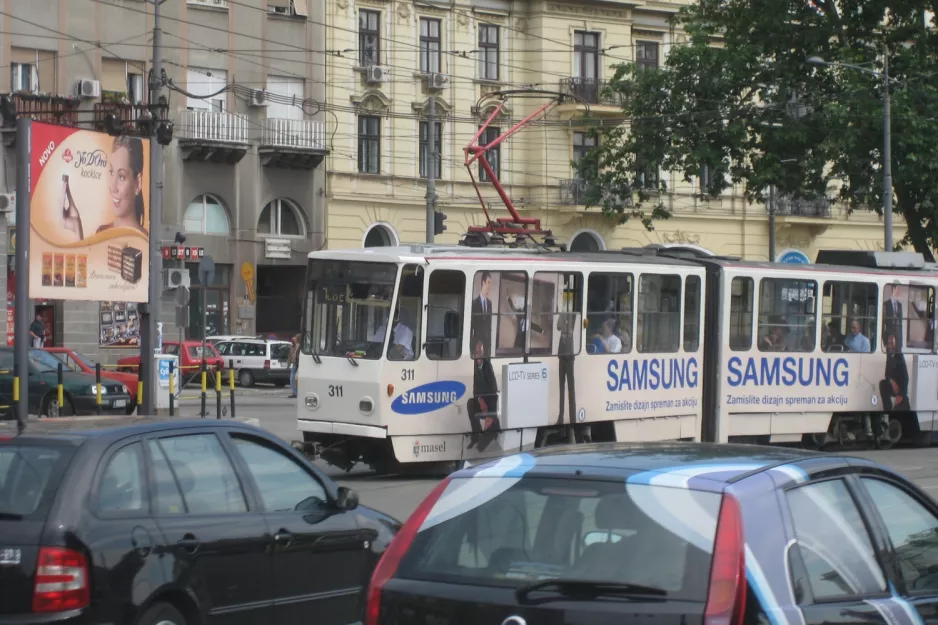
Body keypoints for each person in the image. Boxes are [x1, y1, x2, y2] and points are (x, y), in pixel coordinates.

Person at [62, 136, 147, 240]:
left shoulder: (146, 241)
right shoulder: (102, 233)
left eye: (121, 176)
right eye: (111, 172)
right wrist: (77, 229)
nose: (113, 187)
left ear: (137, 183)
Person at [880, 333, 909, 410]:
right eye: (889, 343)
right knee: (882, 384)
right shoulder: (888, 356)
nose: (890, 345)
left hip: (900, 388)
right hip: (893, 385)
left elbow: (905, 377)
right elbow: (887, 374)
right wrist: (891, 381)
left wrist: (901, 394)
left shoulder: (899, 356)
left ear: (895, 344)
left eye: (892, 343)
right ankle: (887, 409)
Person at [470, 271, 494, 357]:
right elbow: (471, 327)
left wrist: (489, 347)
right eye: (488, 283)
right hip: (477, 345)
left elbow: (489, 326)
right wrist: (472, 348)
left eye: (490, 283)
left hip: (486, 346)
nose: (489, 286)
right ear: (483, 283)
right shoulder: (474, 303)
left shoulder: (489, 303)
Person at [883, 284, 904, 349]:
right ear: (893, 289)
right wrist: (885, 341)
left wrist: (900, 341)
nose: (898, 291)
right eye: (897, 289)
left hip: (898, 338)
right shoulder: (886, 304)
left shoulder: (899, 305)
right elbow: (883, 323)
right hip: (889, 337)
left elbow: (900, 323)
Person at [288, 334, 300, 398]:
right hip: (295, 364)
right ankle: (295, 392)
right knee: (293, 379)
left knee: (294, 379)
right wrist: (288, 363)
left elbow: (297, 356)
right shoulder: (292, 347)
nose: (292, 341)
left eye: (294, 340)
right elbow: (290, 356)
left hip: (297, 364)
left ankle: (295, 393)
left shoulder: (299, 346)